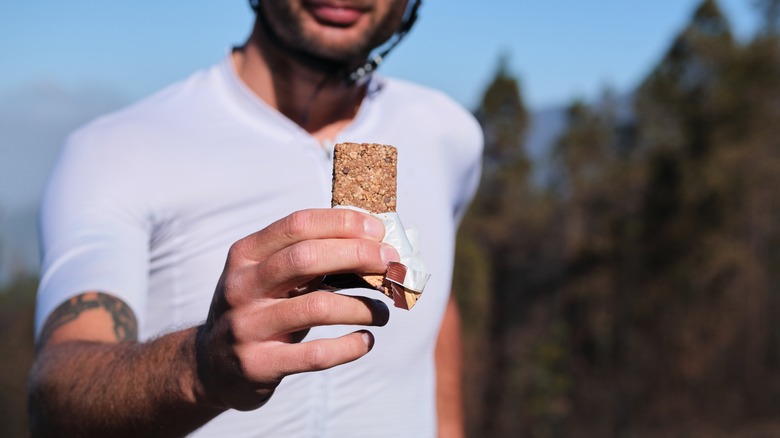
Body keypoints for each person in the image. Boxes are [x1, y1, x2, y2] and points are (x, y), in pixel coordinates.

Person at [28, 0, 483, 436]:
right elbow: (56, 401)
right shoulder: (115, 150)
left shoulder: (448, 134)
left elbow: (438, 302)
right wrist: (200, 368)